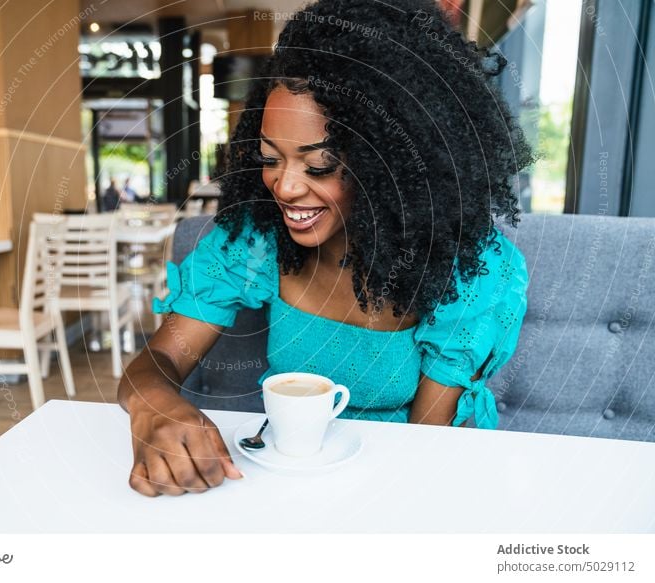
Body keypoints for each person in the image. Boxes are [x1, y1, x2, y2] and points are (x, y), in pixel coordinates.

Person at [117, 0, 534, 497]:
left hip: (418, 476)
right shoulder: (257, 241)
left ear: (390, 166)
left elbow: (425, 450)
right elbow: (160, 358)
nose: (285, 187)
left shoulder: (465, 272)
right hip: (297, 472)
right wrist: (155, 405)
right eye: (270, 158)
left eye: (318, 166)